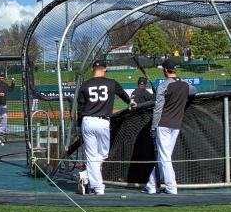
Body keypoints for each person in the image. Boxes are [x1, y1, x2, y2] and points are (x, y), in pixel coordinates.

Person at [77, 60, 134, 195]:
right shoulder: (111, 83)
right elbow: (124, 95)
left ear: (92, 69)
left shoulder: (84, 85)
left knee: (92, 157)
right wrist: (131, 102)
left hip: (87, 121)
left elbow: (80, 108)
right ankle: (98, 187)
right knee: (103, 154)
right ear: (105, 69)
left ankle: (87, 177)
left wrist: (79, 126)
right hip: (103, 122)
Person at [143, 61, 196, 195]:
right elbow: (194, 91)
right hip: (176, 125)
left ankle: (171, 187)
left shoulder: (164, 85)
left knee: (165, 157)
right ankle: (151, 185)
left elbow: (158, 109)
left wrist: (153, 127)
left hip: (164, 124)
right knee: (164, 156)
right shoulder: (186, 85)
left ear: (166, 70)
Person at [0, 72, 15, 136]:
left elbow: (10, 90)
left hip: (3, 104)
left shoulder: (5, 84)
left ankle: (2, 131)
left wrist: (13, 83)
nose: (2, 78)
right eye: (0, 76)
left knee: (4, 117)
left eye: (3, 77)